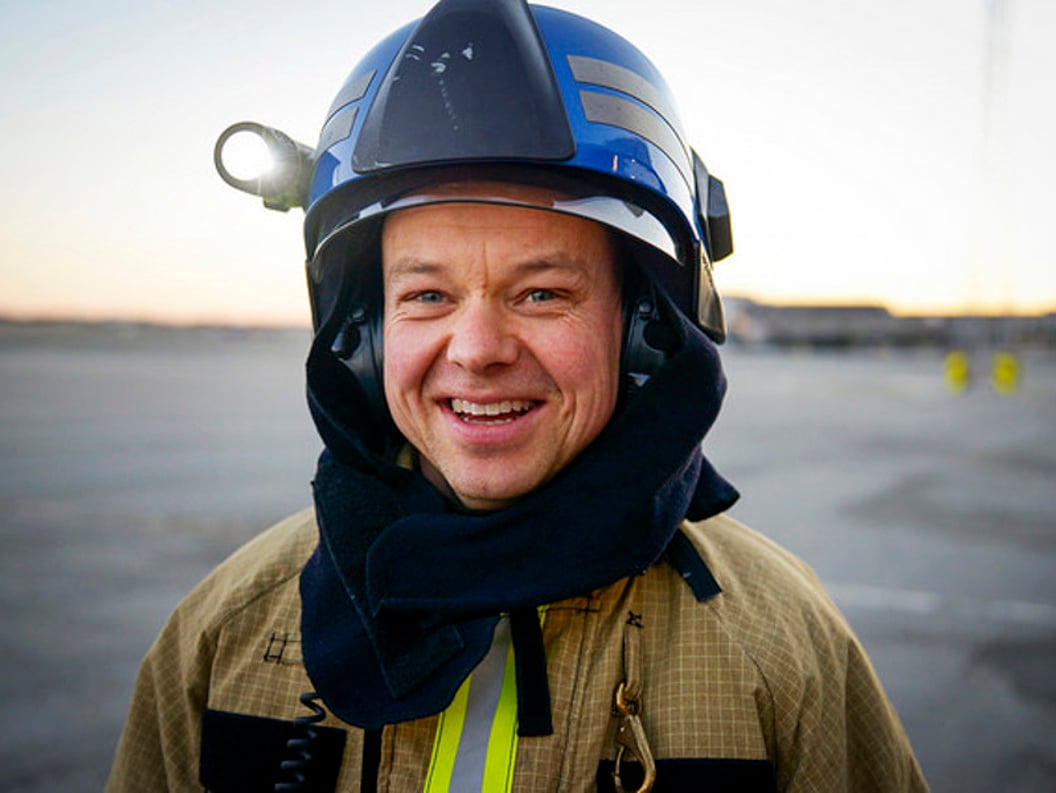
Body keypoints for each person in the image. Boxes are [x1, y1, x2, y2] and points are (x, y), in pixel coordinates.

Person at [107, 0, 929, 790]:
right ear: (361, 337)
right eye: (426, 296)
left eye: (541, 293)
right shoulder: (225, 631)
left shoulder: (782, 651)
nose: (477, 351)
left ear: (644, 331)